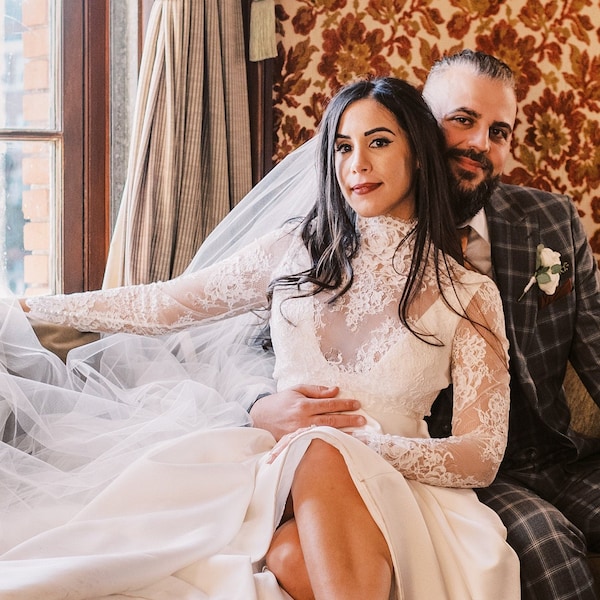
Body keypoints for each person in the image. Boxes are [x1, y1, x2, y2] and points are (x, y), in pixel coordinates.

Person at [0, 77, 520, 599]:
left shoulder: (469, 295)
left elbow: (481, 454)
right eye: (343, 147)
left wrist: (362, 444)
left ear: (422, 156)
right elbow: (163, 305)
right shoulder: (293, 252)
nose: (356, 163)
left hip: (401, 491)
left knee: (297, 541)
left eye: (378, 142)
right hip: (274, 479)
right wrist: (32, 306)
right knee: (304, 466)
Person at [252, 50, 600, 600]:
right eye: (462, 120)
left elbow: (596, 349)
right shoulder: (342, 237)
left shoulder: (549, 219)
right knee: (548, 547)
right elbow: (269, 345)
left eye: (499, 131)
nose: (480, 143)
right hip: (449, 470)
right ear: (418, 129)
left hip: (560, 456)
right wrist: (260, 405)